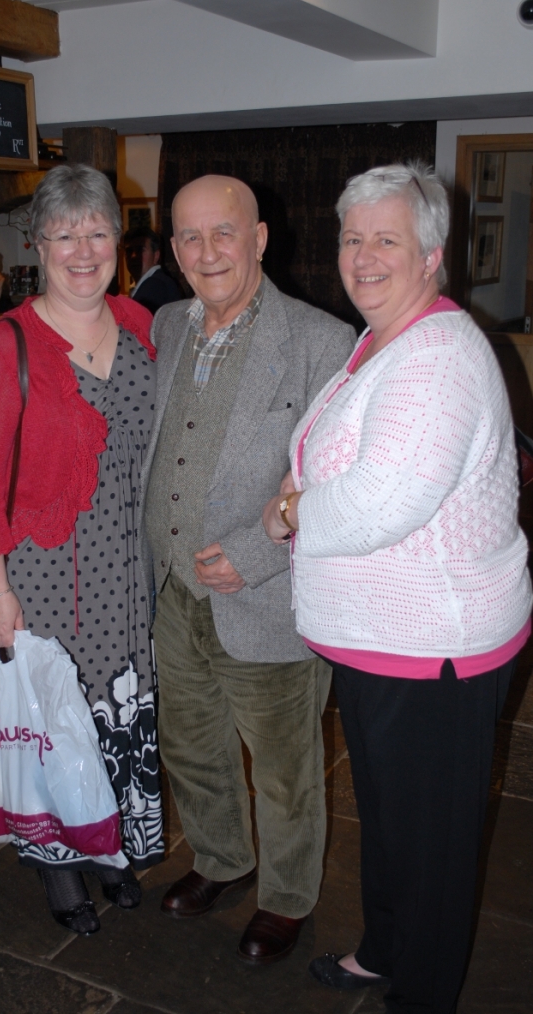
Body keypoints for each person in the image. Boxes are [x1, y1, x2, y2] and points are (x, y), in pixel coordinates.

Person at [262, 162, 533, 1012]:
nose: (364, 256)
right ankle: (385, 951)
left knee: (431, 849)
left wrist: (290, 513)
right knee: (391, 823)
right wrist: (302, 490)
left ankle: (421, 993)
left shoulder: (438, 356)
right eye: (353, 238)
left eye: (387, 239)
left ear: (431, 255)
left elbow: (382, 501)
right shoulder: (383, 338)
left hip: (434, 648)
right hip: (383, 641)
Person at [139, 174, 356, 963]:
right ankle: (222, 859)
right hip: (172, 591)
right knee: (191, 746)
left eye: (223, 232)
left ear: (259, 238)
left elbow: (338, 479)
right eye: (190, 237)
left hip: (266, 597)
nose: (207, 252)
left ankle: (288, 898)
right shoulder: (166, 324)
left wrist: (259, 553)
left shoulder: (323, 341)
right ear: (173, 250)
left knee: (286, 770)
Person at [0, 163, 161, 936]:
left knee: (114, 717)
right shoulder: (1, 347)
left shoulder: (142, 328)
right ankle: (60, 867)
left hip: (127, 572)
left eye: (97, 232)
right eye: (64, 234)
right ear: (36, 244)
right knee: (50, 722)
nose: (83, 250)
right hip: (42, 576)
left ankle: (109, 848)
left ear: (118, 242)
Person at [124, 227, 184, 314]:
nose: (133, 256)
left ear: (156, 255)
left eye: (140, 250)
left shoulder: (155, 285)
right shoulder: (158, 281)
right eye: (129, 251)